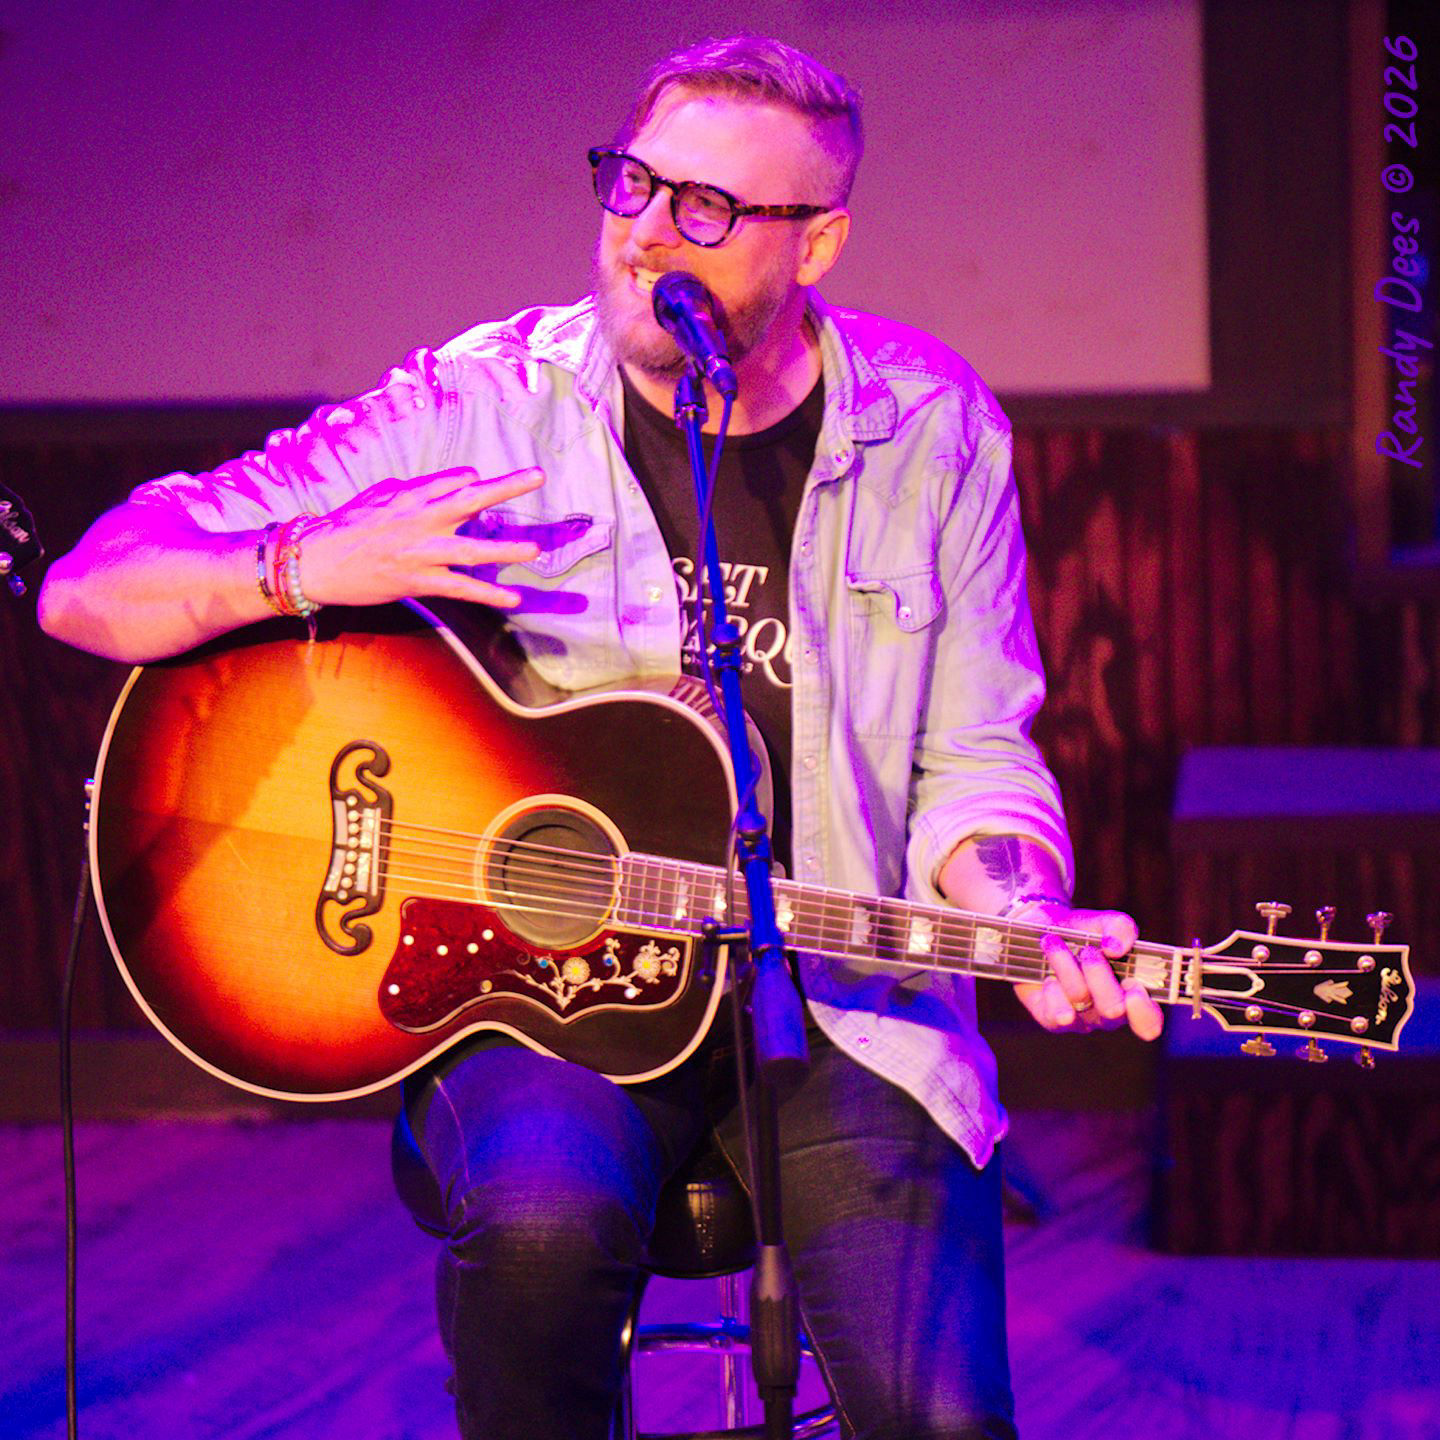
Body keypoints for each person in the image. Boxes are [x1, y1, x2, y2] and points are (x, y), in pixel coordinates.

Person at [40, 34, 1164, 1440]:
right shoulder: (486, 403)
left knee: (943, 1418)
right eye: (632, 186)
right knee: (537, 1229)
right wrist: (308, 567)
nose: (644, 238)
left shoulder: (932, 433)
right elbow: (91, 590)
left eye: (706, 210)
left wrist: (1018, 911)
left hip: (842, 1012)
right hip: (533, 1009)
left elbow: (977, 757)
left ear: (816, 244)